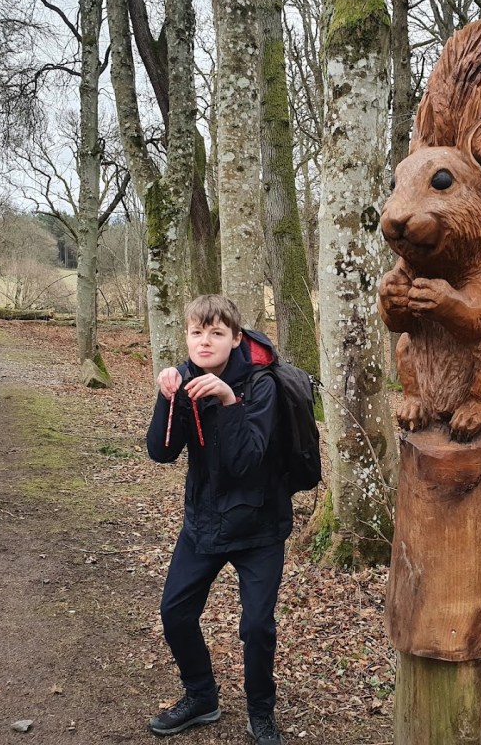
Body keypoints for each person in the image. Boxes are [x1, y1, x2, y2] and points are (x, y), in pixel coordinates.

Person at [145, 295, 291, 744]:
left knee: (257, 627)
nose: (205, 341)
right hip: (204, 522)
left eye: (216, 333)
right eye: (197, 332)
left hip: (260, 526)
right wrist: (166, 398)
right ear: (187, 336)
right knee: (175, 612)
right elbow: (161, 452)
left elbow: (247, 462)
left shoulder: (262, 386)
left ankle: (260, 712)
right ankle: (201, 697)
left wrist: (229, 401)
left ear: (236, 338)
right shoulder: (185, 378)